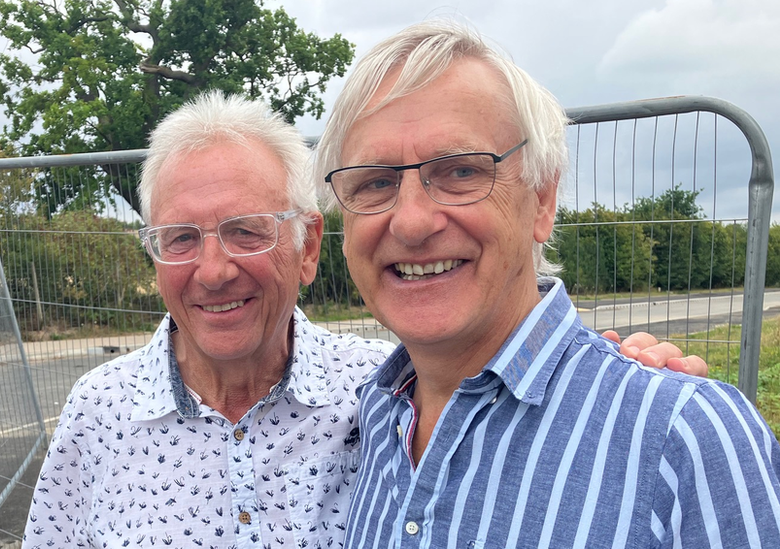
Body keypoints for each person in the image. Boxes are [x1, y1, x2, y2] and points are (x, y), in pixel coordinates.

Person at [23, 93, 700, 548]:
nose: (213, 268)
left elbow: (523, 417)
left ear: (309, 245)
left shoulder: (387, 394)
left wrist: (625, 383)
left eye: (246, 231)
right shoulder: (98, 412)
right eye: (179, 238)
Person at [313, 19, 780, 548]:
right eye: (375, 182)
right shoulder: (371, 419)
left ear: (542, 201)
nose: (413, 222)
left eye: (461, 171)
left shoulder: (684, 438)